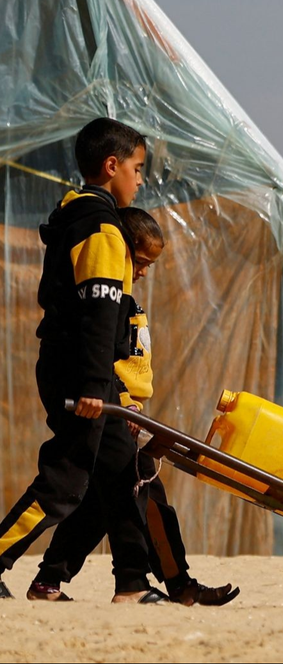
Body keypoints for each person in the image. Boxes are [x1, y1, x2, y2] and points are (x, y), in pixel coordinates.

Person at [26, 207, 239, 606]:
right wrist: (122, 404)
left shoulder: (128, 305)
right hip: (114, 407)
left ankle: (52, 579)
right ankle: (156, 584)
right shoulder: (108, 305)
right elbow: (103, 360)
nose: (141, 272)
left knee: (107, 500)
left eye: (148, 266)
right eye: (139, 262)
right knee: (133, 492)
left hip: (126, 410)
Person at [0, 117, 165, 604]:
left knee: (122, 471)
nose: (140, 179)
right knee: (66, 480)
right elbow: (99, 313)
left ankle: (132, 584)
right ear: (111, 166)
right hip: (83, 375)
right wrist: (96, 385)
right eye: (136, 168)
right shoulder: (102, 230)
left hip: (76, 368)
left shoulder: (79, 218)